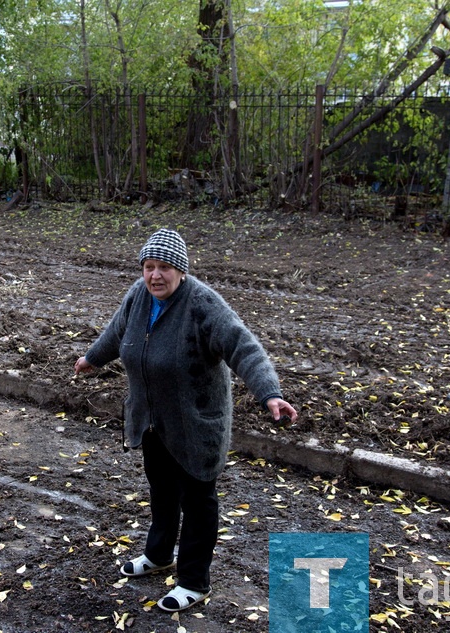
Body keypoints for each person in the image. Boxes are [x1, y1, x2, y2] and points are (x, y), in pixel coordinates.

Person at [73, 228, 298, 613]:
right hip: (152, 420)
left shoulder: (202, 305)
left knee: (197, 501)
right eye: (149, 267)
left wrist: (270, 393)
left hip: (196, 423)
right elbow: (117, 331)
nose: (155, 275)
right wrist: (93, 358)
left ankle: (194, 581)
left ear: (181, 270)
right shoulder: (138, 295)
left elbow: (243, 346)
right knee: (161, 490)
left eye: (164, 267)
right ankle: (159, 555)